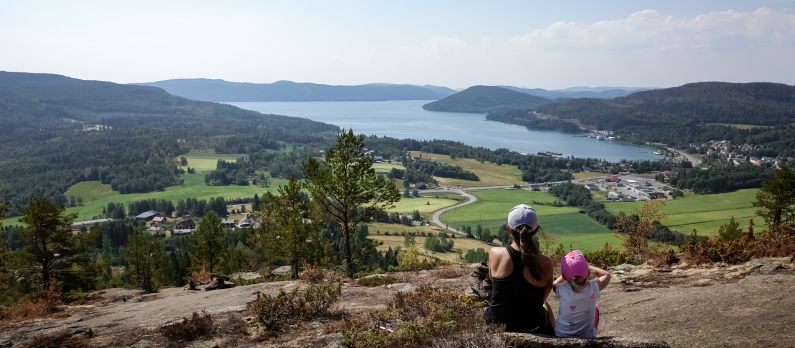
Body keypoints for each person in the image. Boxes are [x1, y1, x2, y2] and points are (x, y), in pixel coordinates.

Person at [483, 204, 556, 335]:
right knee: (547, 307)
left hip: (496, 324)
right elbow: (542, 298)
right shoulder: (546, 263)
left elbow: (495, 285)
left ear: (508, 230)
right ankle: (553, 340)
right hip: (533, 326)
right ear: (535, 231)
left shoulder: (494, 253)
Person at [552, 251, 612, 339]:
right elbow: (606, 275)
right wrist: (586, 267)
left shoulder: (560, 289)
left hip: (561, 335)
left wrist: (566, 274)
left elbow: (554, 284)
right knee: (596, 310)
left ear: (564, 276)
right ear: (588, 272)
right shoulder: (593, 288)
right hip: (587, 337)